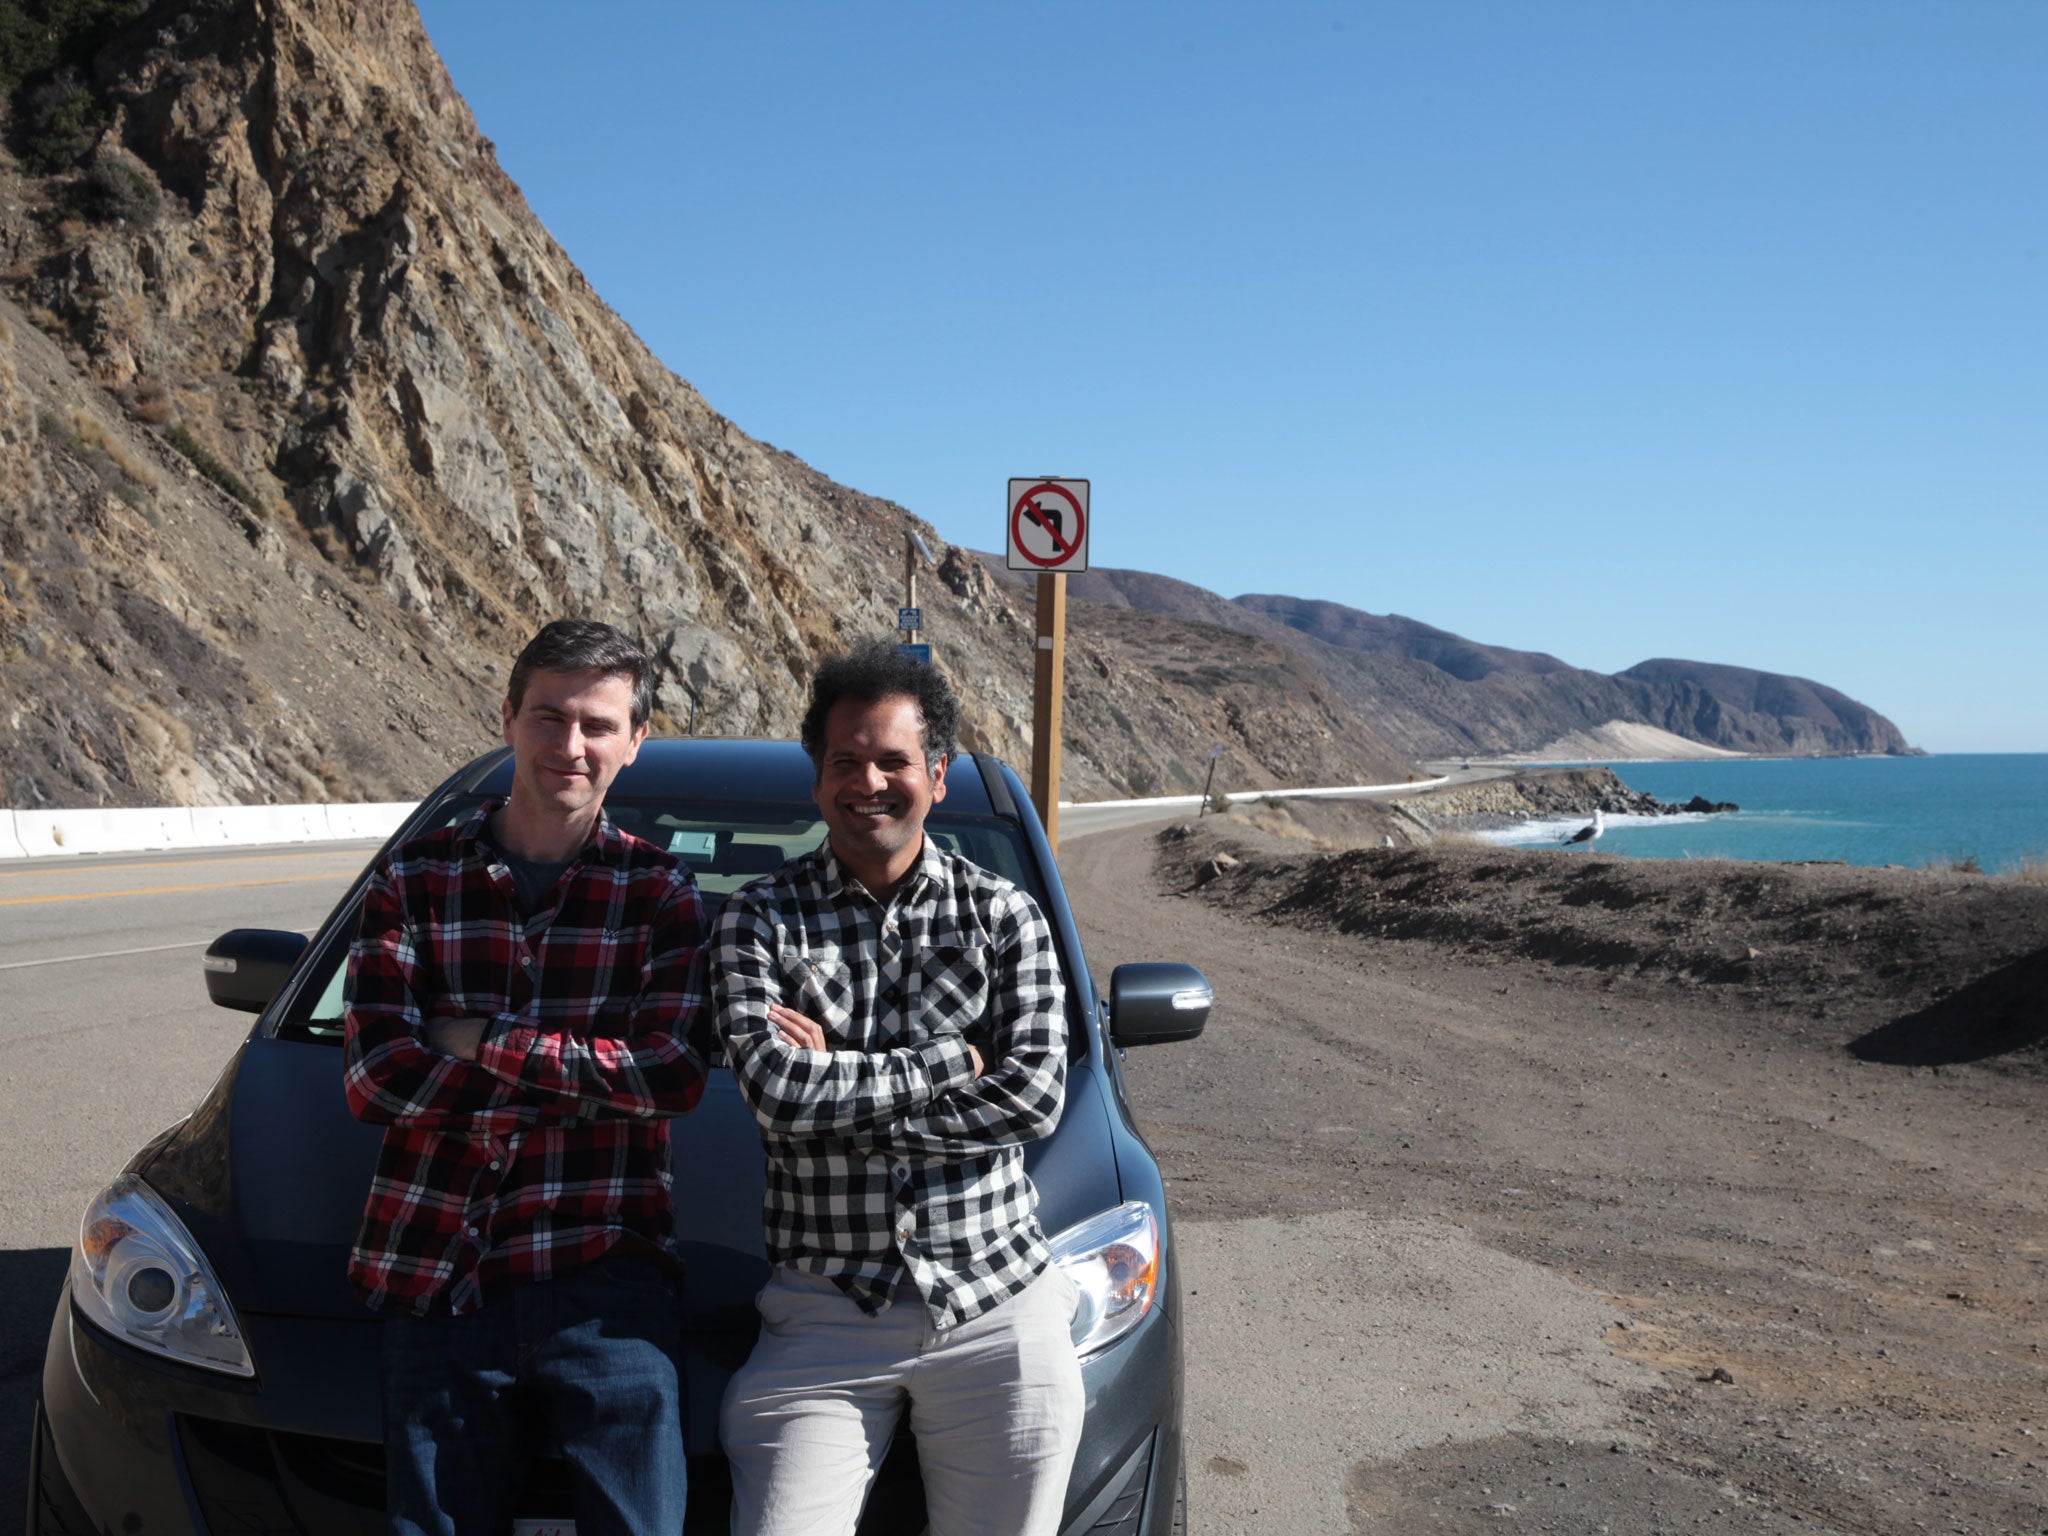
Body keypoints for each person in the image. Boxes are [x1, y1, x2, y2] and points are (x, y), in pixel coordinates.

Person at [343, 618, 708, 1536]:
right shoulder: (412, 882)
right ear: (507, 717)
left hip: (606, 1281)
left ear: (634, 743)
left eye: (596, 725)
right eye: (549, 717)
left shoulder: (660, 895)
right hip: (439, 1272)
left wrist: (481, 1039)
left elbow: (669, 1075)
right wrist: (589, 1080)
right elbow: (377, 1077)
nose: (570, 745)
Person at [711, 640, 1083, 1536]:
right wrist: (954, 1062)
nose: (868, 781)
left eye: (893, 760)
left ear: (938, 775)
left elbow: (1034, 1097)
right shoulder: (756, 917)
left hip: (1000, 1305)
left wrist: (835, 1085)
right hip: (825, 1315)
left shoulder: (1005, 915)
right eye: (846, 760)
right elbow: (775, 1097)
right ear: (818, 777)